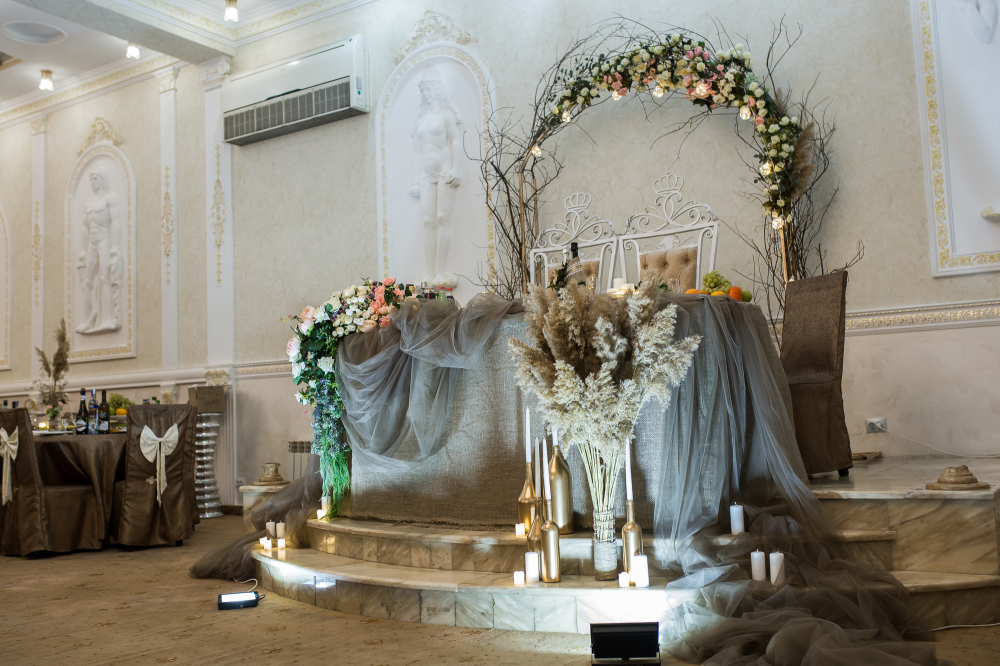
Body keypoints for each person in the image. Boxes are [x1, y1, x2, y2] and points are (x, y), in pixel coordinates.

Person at [409, 73, 463, 283]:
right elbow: (416, 153)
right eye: (422, 90)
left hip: (444, 167)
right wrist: (415, 181)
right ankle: (430, 272)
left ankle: (441, 271)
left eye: (428, 89)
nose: (425, 93)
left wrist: (457, 168)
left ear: (436, 91)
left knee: (442, 218)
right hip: (425, 171)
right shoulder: (419, 122)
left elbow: (455, 140)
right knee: (427, 221)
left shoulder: (446, 115)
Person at [77, 169, 123, 334]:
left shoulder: (109, 199)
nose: (93, 182)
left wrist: (115, 245)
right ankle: (86, 320)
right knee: (88, 281)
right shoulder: (89, 204)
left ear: (102, 180)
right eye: (91, 180)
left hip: (104, 240)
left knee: (104, 277)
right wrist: (83, 249)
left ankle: (109, 317)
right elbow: (85, 228)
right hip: (92, 244)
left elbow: (115, 222)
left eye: (95, 179)